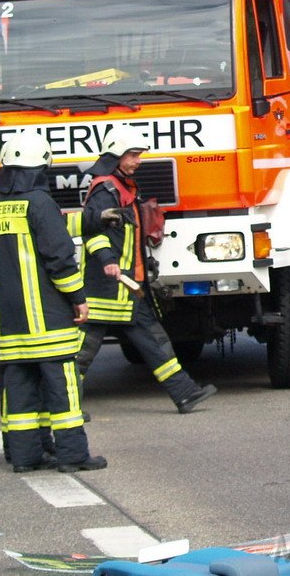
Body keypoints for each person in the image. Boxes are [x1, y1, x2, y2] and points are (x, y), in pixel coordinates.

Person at [0, 134, 107, 473]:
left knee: (19, 392)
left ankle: (26, 457)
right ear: (41, 166)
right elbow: (59, 257)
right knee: (63, 389)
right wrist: (78, 298)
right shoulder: (40, 202)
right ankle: (73, 456)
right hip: (48, 317)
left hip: (12, 321)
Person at [76, 131, 216, 413]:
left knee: (154, 341)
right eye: (133, 155)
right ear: (115, 156)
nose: (138, 161)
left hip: (127, 286)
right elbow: (92, 231)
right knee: (82, 353)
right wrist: (107, 260)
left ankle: (185, 392)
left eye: (139, 155)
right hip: (108, 288)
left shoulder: (122, 186)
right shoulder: (105, 190)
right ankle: (63, 407)